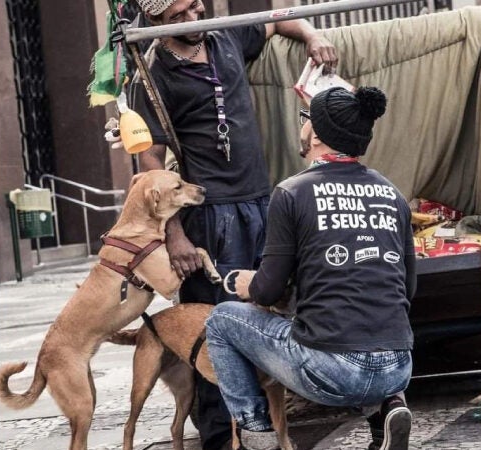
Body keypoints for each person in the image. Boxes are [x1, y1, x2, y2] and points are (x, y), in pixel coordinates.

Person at [127, 1, 338, 449]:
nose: (193, 19)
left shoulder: (225, 37)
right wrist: (175, 233)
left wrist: (312, 35)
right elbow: (150, 167)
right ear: (157, 22)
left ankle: (266, 428)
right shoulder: (151, 77)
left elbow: (277, 18)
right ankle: (221, 436)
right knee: (215, 327)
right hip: (208, 217)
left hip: (262, 203)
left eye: (197, 6)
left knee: (268, 310)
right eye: (180, 15)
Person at [204, 86, 415, 450]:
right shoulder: (392, 194)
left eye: (306, 120)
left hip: (333, 372)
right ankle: (386, 411)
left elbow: (268, 291)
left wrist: (247, 285)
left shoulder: (291, 192)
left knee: (221, 321)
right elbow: (406, 289)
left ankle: (257, 433)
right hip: (399, 367)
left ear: (315, 134)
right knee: (351, 327)